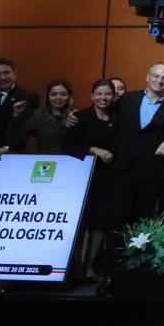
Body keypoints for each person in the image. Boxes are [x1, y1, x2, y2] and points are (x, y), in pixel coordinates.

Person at [111, 62, 164, 219]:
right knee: (117, 216)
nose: (160, 80)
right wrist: (74, 116)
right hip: (122, 169)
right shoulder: (127, 98)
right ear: (147, 77)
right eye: (156, 76)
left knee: (143, 218)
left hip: (151, 173)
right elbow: (104, 112)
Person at [64, 79, 119, 278]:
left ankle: (89, 266)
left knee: (100, 224)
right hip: (83, 177)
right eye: (99, 94)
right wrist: (93, 149)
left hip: (109, 177)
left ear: (113, 96)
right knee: (83, 223)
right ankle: (76, 267)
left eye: (107, 94)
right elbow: (68, 146)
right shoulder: (79, 117)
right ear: (92, 96)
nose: (103, 98)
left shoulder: (119, 117)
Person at [5, 78, 75, 157]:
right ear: (48, 96)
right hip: (45, 160)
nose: (58, 97)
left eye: (63, 94)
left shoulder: (75, 115)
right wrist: (16, 114)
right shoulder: (37, 116)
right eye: (53, 94)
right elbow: (15, 140)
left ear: (69, 97)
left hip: (70, 160)